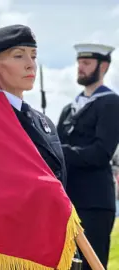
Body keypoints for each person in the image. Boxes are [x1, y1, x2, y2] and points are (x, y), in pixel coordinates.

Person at [0, 24, 68, 270]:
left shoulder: (43, 122)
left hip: (45, 245)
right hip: (3, 251)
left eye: (33, 56)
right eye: (18, 55)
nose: (30, 64)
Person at [57, 43, 119, 270]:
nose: (80, 68)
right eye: (79, 63)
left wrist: (61, 151)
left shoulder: (111, 103)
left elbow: (101, 152)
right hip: (67, 201)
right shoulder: (67, 108)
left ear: (103, 66)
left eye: (86, 63)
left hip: (94, 202)